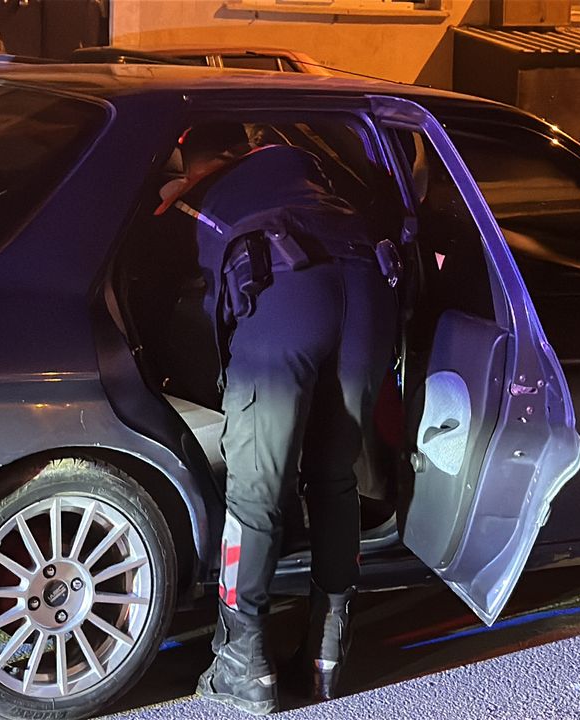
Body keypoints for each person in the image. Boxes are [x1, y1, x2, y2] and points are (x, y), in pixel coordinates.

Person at [156, 123, 399, 715]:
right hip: (368, 297)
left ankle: (244, 666)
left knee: (256, 493)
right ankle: (326, 657)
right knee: (335, 478)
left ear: (192, 159)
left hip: (285, 300)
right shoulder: (303, 167)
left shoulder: (194, 196)